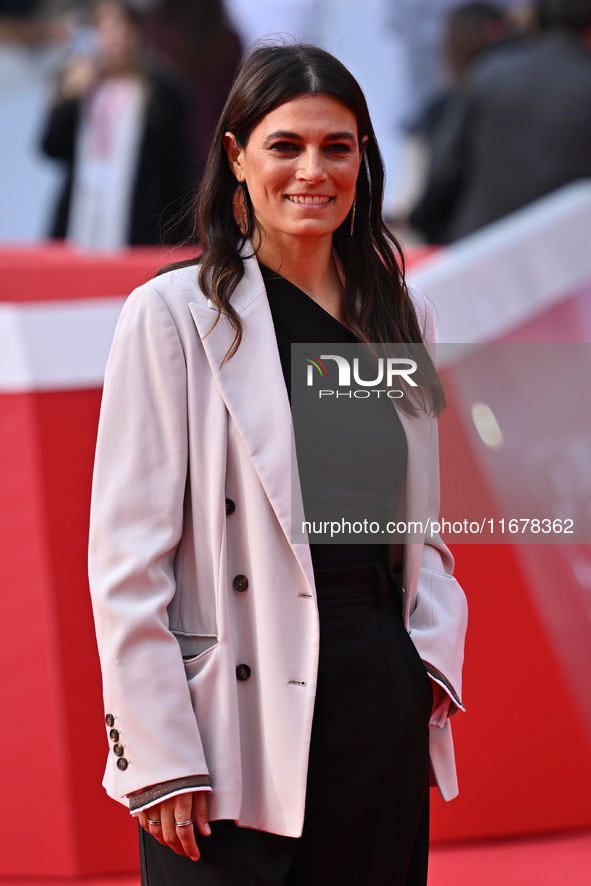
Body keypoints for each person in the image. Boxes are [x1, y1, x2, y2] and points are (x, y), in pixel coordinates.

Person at [88, 43, 468, 886]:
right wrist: (158, 753)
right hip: (231, 717)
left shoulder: (398, 312)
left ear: (364, 158)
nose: (313, 171)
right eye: (285, 146)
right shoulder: (171, 316)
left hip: (375, 692)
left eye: (337, 147)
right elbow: (126, 559)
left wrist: (427, 662)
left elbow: (420, 526)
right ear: (236, 156)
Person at [411, 0, 591, 242]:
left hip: (481, 249)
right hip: (569, 251)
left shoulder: (490, 73)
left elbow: (447, 169)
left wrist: (420, 222)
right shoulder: (580, 79)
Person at [40, 0, 191, 248]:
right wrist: (70, 97)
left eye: (122, 28)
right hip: (80, 220)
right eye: (105, 29)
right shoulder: (78, 83)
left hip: (139, 227)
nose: (114, 38)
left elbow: (178, 171)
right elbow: (50, 147)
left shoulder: (163, 91)